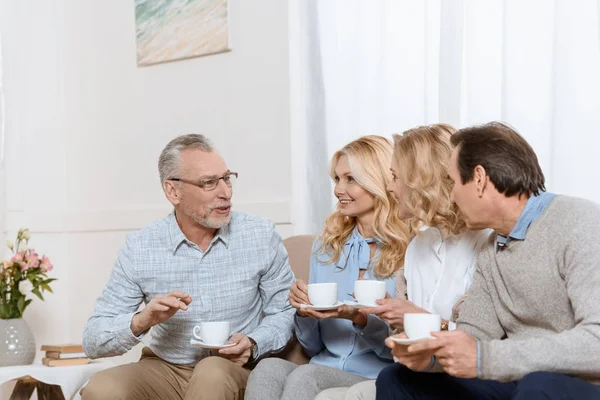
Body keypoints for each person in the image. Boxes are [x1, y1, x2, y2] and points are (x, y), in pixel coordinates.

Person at [377, 122, 600, 399]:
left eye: (454, 181)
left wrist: (486, 358)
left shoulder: (579, 222)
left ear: (479, 179)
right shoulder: (493, 248)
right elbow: (474, 334)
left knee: (540, 384)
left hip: (582, 385)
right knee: (398, 378)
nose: (452, 195)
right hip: (517, 379)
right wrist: (431, 357)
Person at [80, 134, 295, 400]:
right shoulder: (141, 247)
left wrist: (253, 342)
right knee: (103, 388)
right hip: (165, 368)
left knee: (211, 373)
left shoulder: (260, 235)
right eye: (209, 183)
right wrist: (142, 320)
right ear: (173, 191)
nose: (225, 193)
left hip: (233, 368)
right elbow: (93, 339)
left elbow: (285, 312)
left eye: (227, 178)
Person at [318, 124, 490, 400]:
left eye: (395, 176)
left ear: (422, 180)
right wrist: (383, 318)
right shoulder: (418, 246)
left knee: (384, 381)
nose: (388, 186)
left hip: (472, 378)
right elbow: (401, 343)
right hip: (421, 374)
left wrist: (418, 318)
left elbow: (488, 345)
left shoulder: (486, 245)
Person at [244, 135, 411, 400]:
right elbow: (312, 347)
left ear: (377, 180)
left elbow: (401, 347)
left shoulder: (409, 248)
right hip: (323, 365)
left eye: (350, 179)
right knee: (267, 369)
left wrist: (360, 319)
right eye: (336, 179)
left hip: (378, 374)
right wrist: (304, 312)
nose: (338, 190)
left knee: (306, 375)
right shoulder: (326, 247)